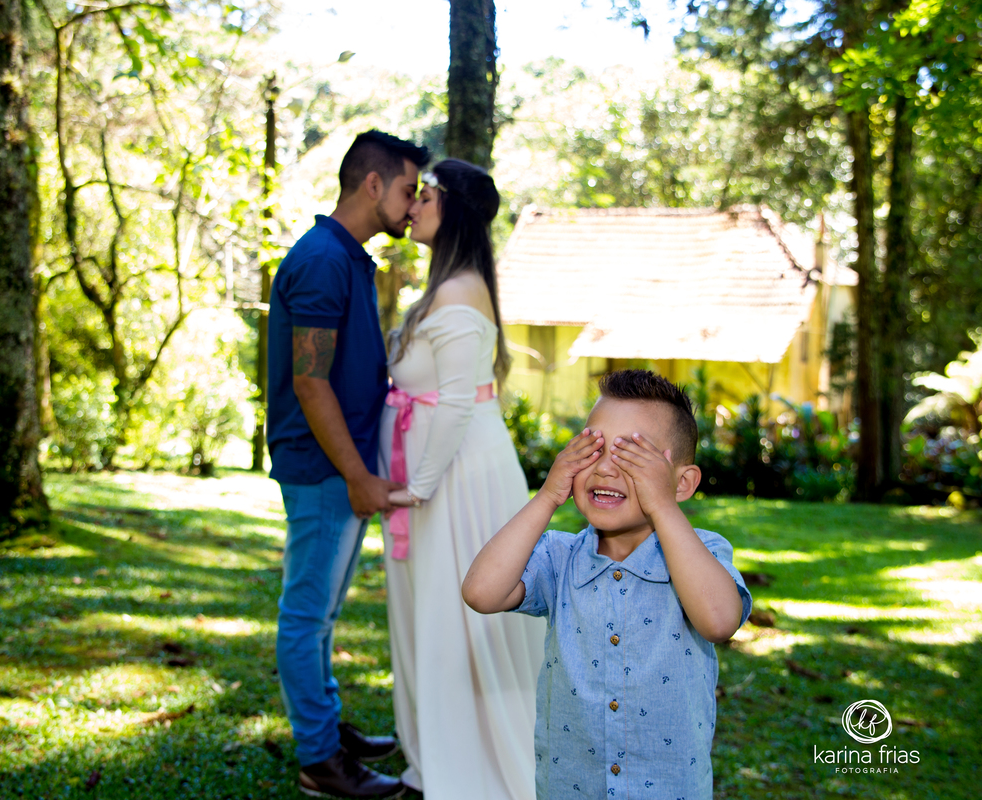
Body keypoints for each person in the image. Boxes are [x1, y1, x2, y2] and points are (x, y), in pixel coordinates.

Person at [462, 369, 753, 799]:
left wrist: (661, 504)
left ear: (683, 482)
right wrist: (546, 497)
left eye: (633, 457)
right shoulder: (559, 558)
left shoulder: (701, 553)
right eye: (592, 450)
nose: (604, 470)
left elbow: (718, 620)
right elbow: (481, 592)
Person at [266, 129, 430, 800]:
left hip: (343, 466)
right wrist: (358, 476)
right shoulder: (323, 260)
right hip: (324, 469)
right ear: (372, 184)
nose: (413, 203)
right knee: (306, 614)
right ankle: (319, 760)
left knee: (322, 613)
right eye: (407, 189)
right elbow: (310, 382)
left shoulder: (348, 257)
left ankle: (326, 730)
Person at [378, 159, 545, 798]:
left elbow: (452, 404)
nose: (413, 204)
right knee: (438, 617)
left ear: (453, 209)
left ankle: (473, 769)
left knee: (462, 621)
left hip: (456, 480)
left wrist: (417, 488)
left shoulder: (456, 293)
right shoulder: (449, 287)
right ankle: (438, 756)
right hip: (444, 471)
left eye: (426, 194)